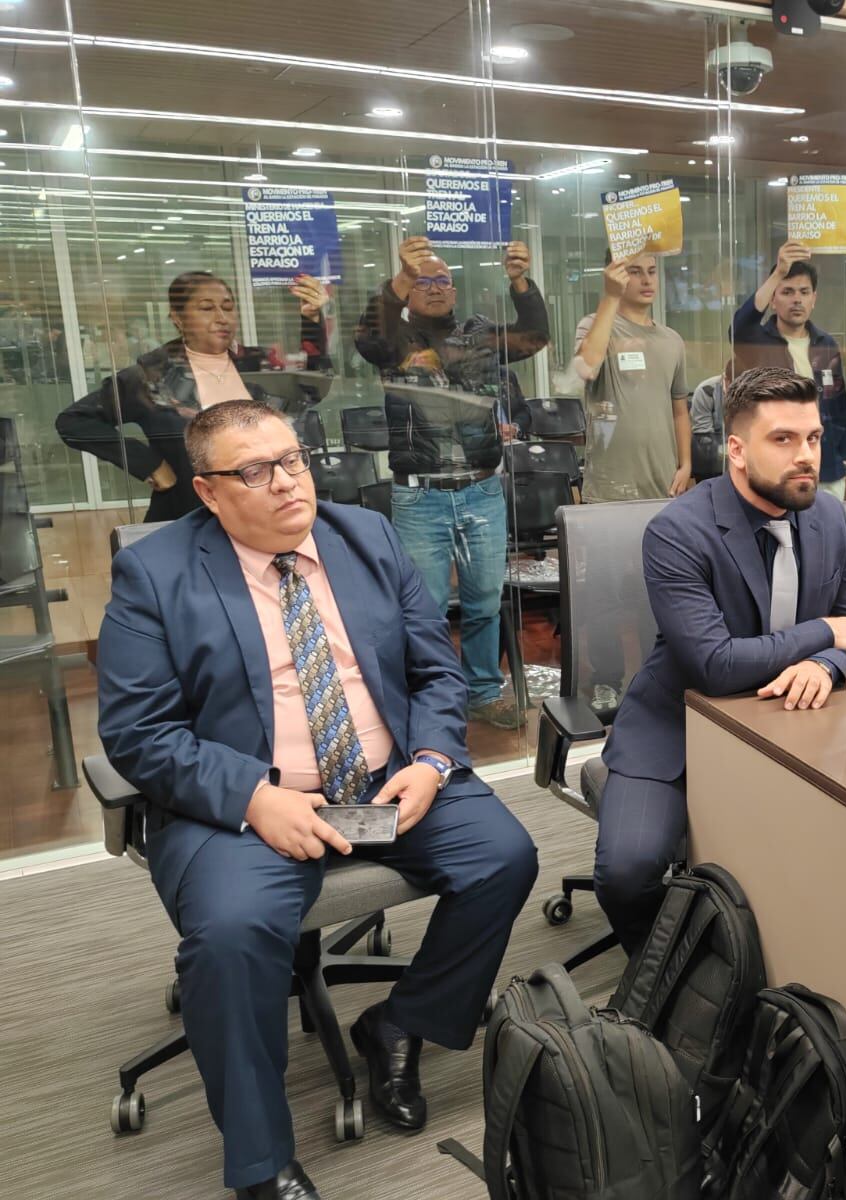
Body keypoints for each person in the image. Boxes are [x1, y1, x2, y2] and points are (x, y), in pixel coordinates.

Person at [95, 400, 539, 1200]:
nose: (286, 483)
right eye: (254, 471)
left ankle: (401, 1022)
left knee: (505, 858)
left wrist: (434, 760)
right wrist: (254, 798)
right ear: (208, 491)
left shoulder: (363, 536)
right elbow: (138, 732)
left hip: (383, 779)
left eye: (293, 460)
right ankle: (263, 1166)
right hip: (248, 804)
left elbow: (436, 670)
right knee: (231, 936)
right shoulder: (155, 573)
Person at [595, 365, 846, 955]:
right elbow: (716, 665)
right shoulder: (678, 531)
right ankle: (669, 990)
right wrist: (827, 631)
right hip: (678, 726)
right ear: (736, 449)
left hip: (799, 723)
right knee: (628, 871)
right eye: (783, 439)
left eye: (813, 438)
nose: (805, 456)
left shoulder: (826, 515)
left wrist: (824, 664)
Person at [354, 235, 549, 730]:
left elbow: (534, 336)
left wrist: (520, 283)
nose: (436, 288)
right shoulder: (394, 341)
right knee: (427, 607)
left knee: (485, 600)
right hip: (422, 494)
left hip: (481, 488)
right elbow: (367, 338)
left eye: (444, 280)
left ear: (456, 291)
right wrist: (400, 276)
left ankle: (482, 691)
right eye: (424, 281)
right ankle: (432, 697)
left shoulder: (478, 336)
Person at [57, 271, 329, 521]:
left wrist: (313, 319)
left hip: (269, 512)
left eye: (227, 307)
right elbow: (73, 421)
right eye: (207, 308)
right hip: (192, 518)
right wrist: (150, 465)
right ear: (178, 318)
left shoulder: (257, 365)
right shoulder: (152, 375)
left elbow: (310, 387)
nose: (221, 317)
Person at [732, 240, 846, 498]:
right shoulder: (758, 341)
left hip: (827, 463)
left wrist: (845, 457)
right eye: (787, 292)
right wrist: (778, 273)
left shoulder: (826, 344)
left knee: (827, 533)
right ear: (773, 300)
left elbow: (839, 403)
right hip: (778, 464)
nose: (797, 299)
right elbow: (738, 327)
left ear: (814, 299)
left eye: (804, 292)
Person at [573, 252, 693, 502]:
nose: (647, 280)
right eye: (635, 272)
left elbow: (679, 410)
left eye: (651, 271)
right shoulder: (593, 325)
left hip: (664, 485)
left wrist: (685, 465)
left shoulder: (672, 340)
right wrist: (611, 296)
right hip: (610, 489)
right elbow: (587, 366)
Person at [689, 360, 732, 480]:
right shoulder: (706, 390)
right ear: (726, 379)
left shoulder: (751, 391)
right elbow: (703, 435)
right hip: (711, 455)